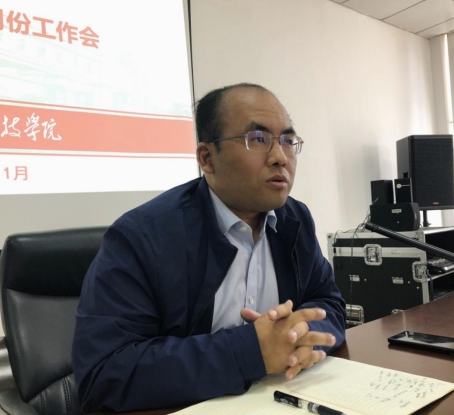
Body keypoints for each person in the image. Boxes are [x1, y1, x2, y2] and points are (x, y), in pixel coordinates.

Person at [72, 83, 346, 413]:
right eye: (258, 139)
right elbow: (104, 375)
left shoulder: (294, 221)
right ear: (207, 158)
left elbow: (329, 303)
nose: (280, 157)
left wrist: (299, 336)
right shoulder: (143, 237)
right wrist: (250, 351)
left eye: (288, 141)